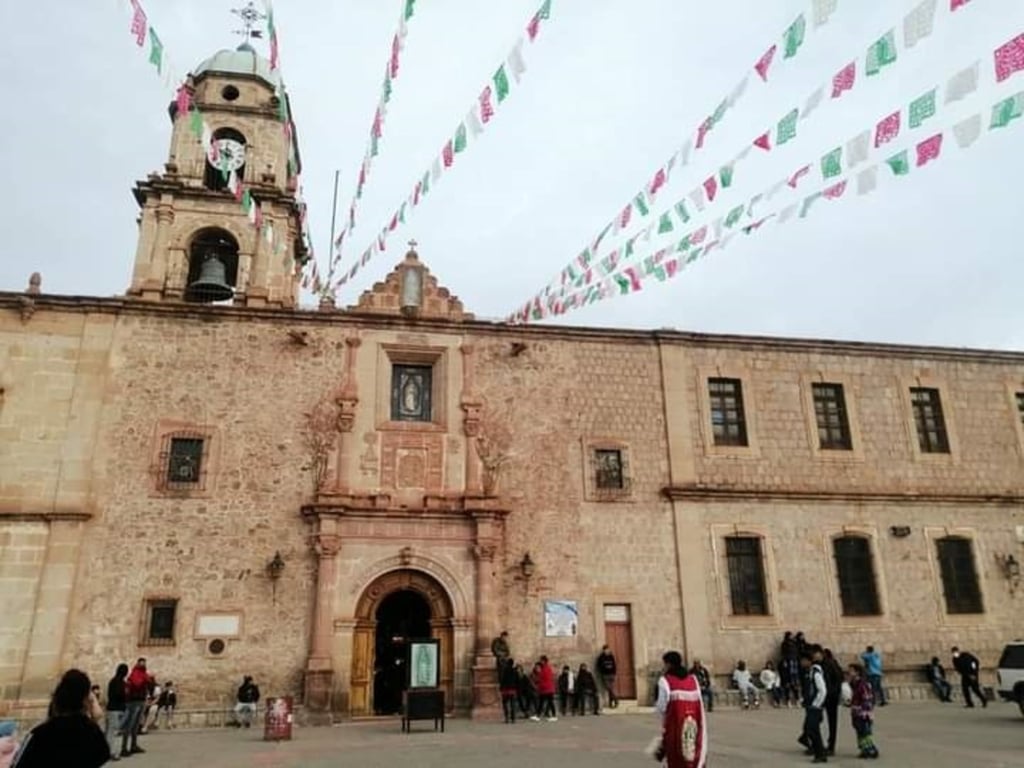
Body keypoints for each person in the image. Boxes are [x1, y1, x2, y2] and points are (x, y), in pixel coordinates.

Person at [10, 669, 110, 768]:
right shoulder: (92, 733)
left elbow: (19, 763)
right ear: (85, 700)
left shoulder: (39, 734)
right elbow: (103, 755)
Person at [655, 651, 707, 768]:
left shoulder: (665, 681)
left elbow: (662, 707)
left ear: (668, 665)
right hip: (694, 724)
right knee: (693, 755)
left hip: (675, 725)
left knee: (676, 756)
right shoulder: (693, 679)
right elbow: (700, 702)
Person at [797, 648, 828, 763]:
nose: (801, 663)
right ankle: (819, 752)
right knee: (812, 730)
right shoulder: (808, 673)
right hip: (810, 705)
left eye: (803, 661)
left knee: (812, 730)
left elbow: (822, 690)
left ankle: (820, 753)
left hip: (815, 707)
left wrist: (816, 704)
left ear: (809, 661)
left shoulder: (815, 673)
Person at [847, 663, 879, 759]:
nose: (849, 672)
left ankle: (871, 749)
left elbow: (867, 699)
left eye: (851, 670)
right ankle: (864, 749)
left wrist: (861, 709)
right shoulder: (854, 684)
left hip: (863, 714)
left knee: (865, 733)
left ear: (857, 672)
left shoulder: (863, 685)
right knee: (860, 732)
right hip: (856, 713)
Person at [121, 657, 149, 757]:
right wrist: (145, 679)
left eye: (144, 664)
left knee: (136, 725)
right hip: (133, 702)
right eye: (141, 663)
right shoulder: (134, 673)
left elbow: (148, 683)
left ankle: (133, 745)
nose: (143, 665)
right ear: (138, 664)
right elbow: (137, 684)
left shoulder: (144, 673)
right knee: (129, 725)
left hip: (140, 700)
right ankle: (123, 748)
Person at [821, 649, 844, 757]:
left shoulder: (828, 665)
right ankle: (830, 744)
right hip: (831, 696)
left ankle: (830, 746)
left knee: (830, 721)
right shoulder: (833, 664)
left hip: (830, 696)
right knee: (831, 721)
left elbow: (837, 679)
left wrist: (831, 691)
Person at [105, 663, 127, 762]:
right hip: (116, 709)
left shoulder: (113, 681)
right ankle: (113, 752)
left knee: (111, 731)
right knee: (114, 731)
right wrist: (125, 694)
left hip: (114, 708)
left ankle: (109, 751)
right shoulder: (118, 682)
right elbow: (118, 694)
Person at [534, 656, 557, 722]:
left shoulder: (546, 669)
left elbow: (545, 679)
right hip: (546, 689)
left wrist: (540, 687)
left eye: (541, 660)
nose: (540, 662)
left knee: (550, 702)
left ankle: (553, 715)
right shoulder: (545, 668)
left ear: (544, 661)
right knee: (543, 702)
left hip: (547, 689)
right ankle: (538, 715)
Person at [499, 659, 519, 723]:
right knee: (512, 704)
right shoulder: (515, 671)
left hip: (506, 690)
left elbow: (502, 680)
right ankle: (513, 718)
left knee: (505, 704)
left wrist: (501, 688)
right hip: (513, 690)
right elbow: (517, 680)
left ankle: (507, 718)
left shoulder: (505, 671)